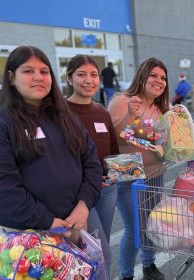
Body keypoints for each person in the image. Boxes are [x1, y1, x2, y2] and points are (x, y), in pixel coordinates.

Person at [0, 46, 102, 232]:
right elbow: (4, 185)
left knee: (100, 260)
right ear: (12, 78)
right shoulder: (3, 123)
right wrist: (46, 220)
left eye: (44, 71)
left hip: (74, 221)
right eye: (28, 71)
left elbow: (91, 162)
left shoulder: (65, 117)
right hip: (28, 233)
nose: (38, 77)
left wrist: (84, 203)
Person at [108, 57, 170, 280]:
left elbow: (164, 140)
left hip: (156, 171)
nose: (159, 81)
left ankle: (148, 264)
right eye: (153, 75)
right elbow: (111, 134)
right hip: (127, 170)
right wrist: (130, 115)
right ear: (142, 76)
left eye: (163, 78)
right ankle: (126, 275)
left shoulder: (160, 108)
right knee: (134, 228)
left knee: (151, 223)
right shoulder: (123, 100)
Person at [66, 54, 119, 278]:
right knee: (98, 251)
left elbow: (113, 151)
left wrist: (116, 172)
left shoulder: (102, 112)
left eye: (94, 75)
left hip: (107, 190)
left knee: (100, 243)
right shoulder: (60, 113)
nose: (89, 80)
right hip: (78, 196)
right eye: (81, 74)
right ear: (69, 79)